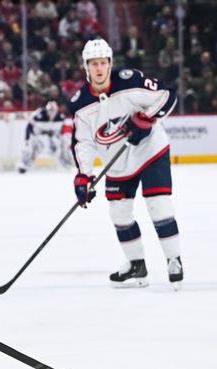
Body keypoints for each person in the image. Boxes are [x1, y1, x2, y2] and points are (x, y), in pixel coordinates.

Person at [67, 38, 182, 288]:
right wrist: (84, 177)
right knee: (119, 211)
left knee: (158, 203)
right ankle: (137, 266)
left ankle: (174, 260)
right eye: (94, 63)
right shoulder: (79, 104)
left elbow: (167, 95)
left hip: (151, 150)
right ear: (86, 67)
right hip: (117, 162)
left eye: (103, 63)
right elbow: (83, 143)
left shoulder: (130, 81)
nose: (99, 68)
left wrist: (146, 119)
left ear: (110, 64)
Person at [17, 100, 72, 173]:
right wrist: (27, 138)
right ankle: (24, 165)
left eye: (53, 111)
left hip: (53, 138)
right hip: (38, 137)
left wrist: (63, 138)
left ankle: (66, 164)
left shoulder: (61, 117)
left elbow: (63, 130)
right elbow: (29, 126)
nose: (51, 113)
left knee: (64, 144)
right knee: (30, 147)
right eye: (50, 111)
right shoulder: (38, 115)